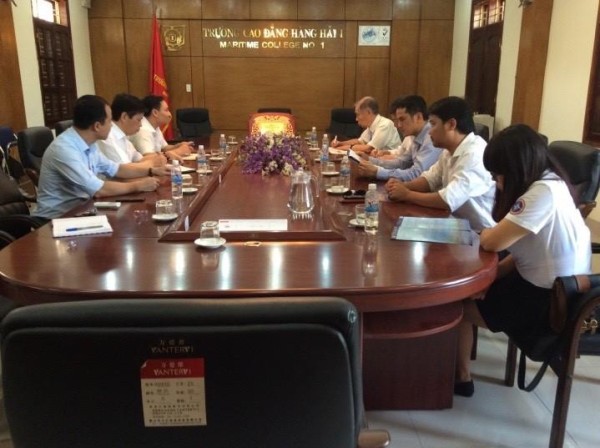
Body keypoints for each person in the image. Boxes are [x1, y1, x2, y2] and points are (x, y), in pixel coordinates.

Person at [454, 124, 591, 397]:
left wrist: (489, 238)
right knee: (471, 289)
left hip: (548, 303)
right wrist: (488, 279)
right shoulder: (554, 183)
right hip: (559, 289)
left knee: (456, 305)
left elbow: (491, 242)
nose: (497, 182)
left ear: (515, 168)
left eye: (498, 175)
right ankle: (460, 370)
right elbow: (522, 255)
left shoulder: (541, 194)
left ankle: (462, 378)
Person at [34, 95, 169, 219]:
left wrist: (151, 171)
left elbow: (116, 169)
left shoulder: (89, 143)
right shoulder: (64, 149)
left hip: (83, 210)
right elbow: (99, 190)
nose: (112, 125)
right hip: (56, 220)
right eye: (110, 121)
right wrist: (138, 186)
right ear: (97, 126)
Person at [385, 96, 495, 231]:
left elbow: (447, 199)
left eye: (433, 124)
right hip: (454, 224)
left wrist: (407, 194)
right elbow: (430, 179)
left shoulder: (474, 154)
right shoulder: (449, 150)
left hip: (477, 234)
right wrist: (402, 186)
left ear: (451, 124)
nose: (430, 131)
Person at [356, 95, 442, 181]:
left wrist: (377, 172)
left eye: (402, 119)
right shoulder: (415, 135)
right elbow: (402, 163)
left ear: (418, 117)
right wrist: (370, 160)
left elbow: (417, 174)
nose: (398, 125)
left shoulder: (431, 137)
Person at [97, 93, 167, 166]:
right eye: (138, 120)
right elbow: (125, 169)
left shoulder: (123, 136)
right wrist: (153, 162)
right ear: (124, 117)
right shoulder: (108, 137)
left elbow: (139, 159)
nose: (141, 125)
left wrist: (161, 156)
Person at [129, 95, 193, 161]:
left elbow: (164, 147)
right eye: (166, 110)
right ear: (155, 113)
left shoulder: (155, 126)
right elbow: (149, 157)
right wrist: (178, 151)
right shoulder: (142, 130)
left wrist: (178, 146)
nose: (170, 115)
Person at [330, 96, 400, 154]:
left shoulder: (384, 125)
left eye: (358, 114)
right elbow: (360, 141)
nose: (356, 119)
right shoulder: (372, 125)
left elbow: (368, 148)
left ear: (368, 112)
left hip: (390, 162)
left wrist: (342, 148)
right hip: (378, 160)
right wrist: (340, 143)